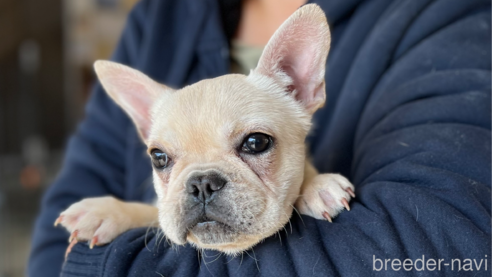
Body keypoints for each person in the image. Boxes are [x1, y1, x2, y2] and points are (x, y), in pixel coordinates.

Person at [29, 0, 492, 276]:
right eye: (163, 158)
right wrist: (119, 215)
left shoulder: (445, 15)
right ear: (145, 124)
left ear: (301, 88)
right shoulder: (161, 15)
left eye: (253, 144)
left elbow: (450, 247)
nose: (202, 187)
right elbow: (57, 247)